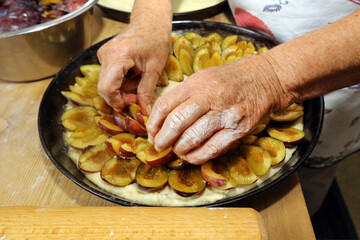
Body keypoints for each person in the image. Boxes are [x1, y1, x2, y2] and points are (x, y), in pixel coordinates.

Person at [96, 0, 360, 215]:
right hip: (239, 27)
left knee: (306, 186)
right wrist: (149, 17)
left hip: (336, 75)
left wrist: (273, 77)